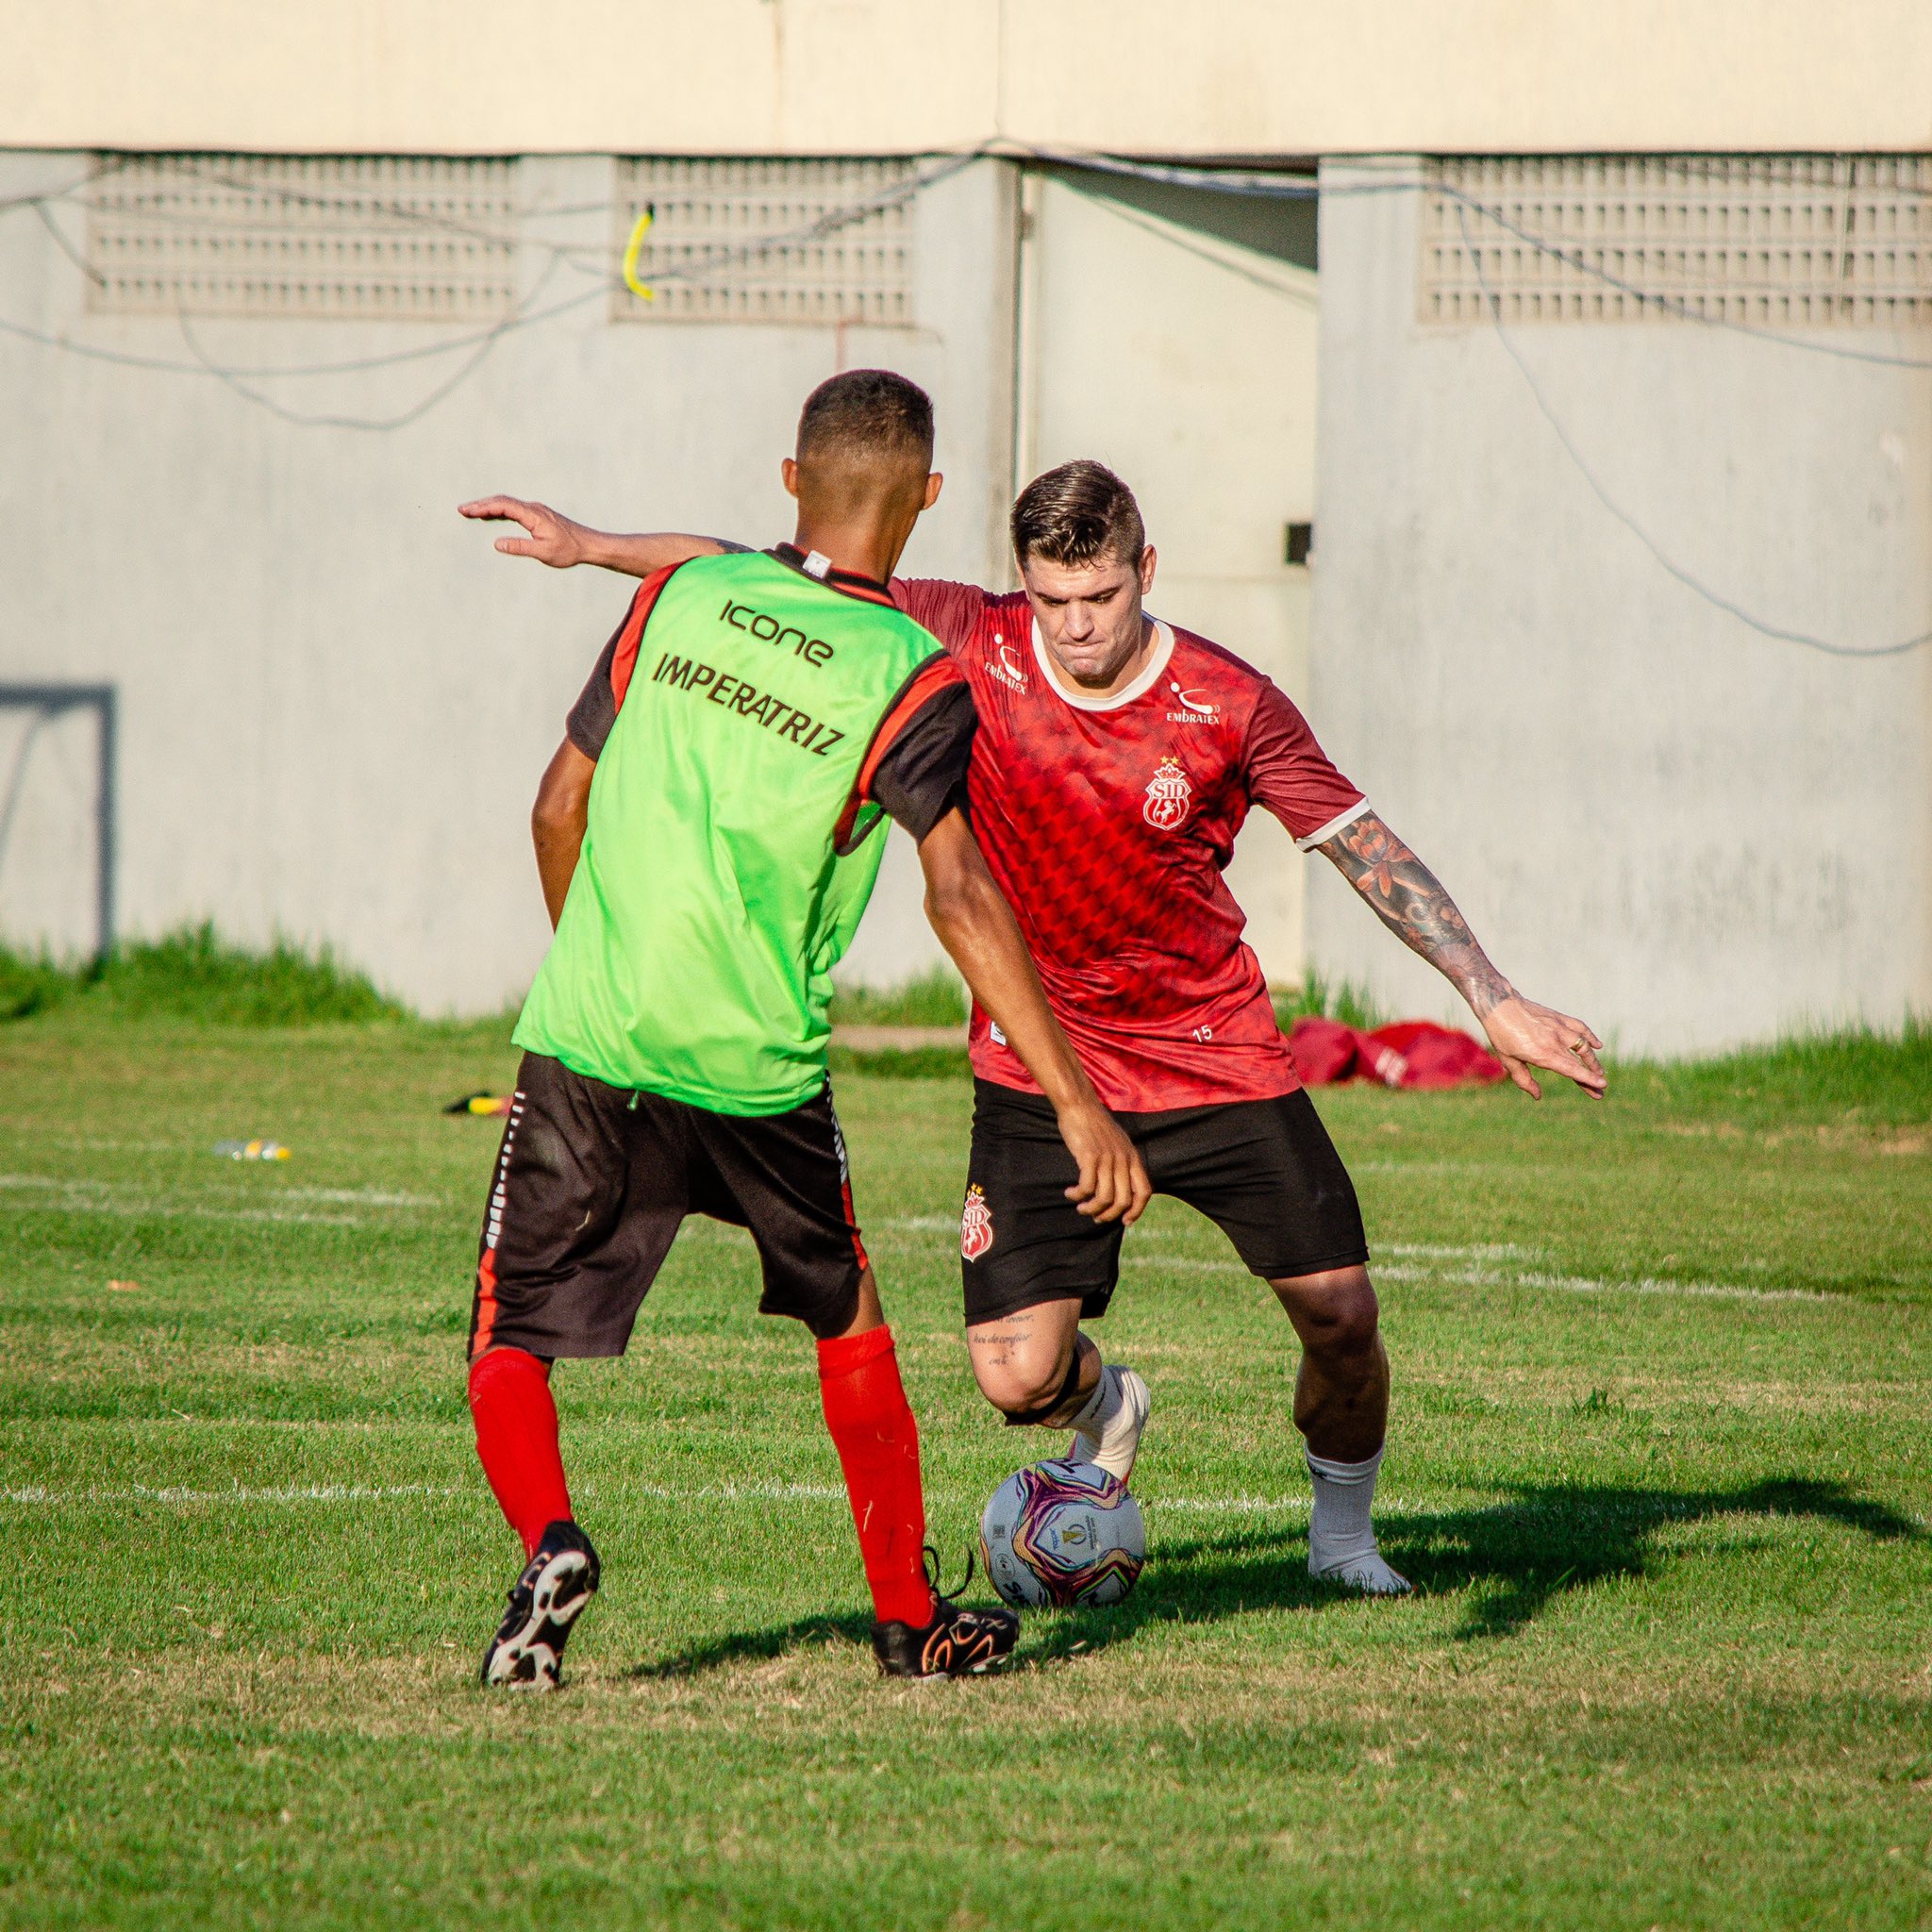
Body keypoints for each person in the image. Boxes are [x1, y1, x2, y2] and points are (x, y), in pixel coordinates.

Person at [461, 452, 1605, 1598]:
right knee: (1014, 1377)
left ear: (1143, 570)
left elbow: (1360, 842)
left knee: (1341, 1319)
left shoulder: (1229, 701)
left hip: (1211, 1055)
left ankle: (1343, 1536)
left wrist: (1487, 993)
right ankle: (1112, 1410)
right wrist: (591, 543)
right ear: (1021, 583)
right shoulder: (970, 637)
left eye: (1099, 597)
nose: (1074, 626)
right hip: (1038, 1066)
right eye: (1051, 599)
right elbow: (774, 576)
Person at [458, 375, 1148, 1689]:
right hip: (756, 1061)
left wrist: (600, 964)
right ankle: (908, 1618)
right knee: (849, 1316)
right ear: (932, 500)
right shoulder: (912, 677)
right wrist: (1073, 1099)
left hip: (596, 1032)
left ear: (790, 478)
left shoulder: (682, 597)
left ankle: (550, 1541)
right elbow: (959, 896)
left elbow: (559, 807)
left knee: (509, 1334)